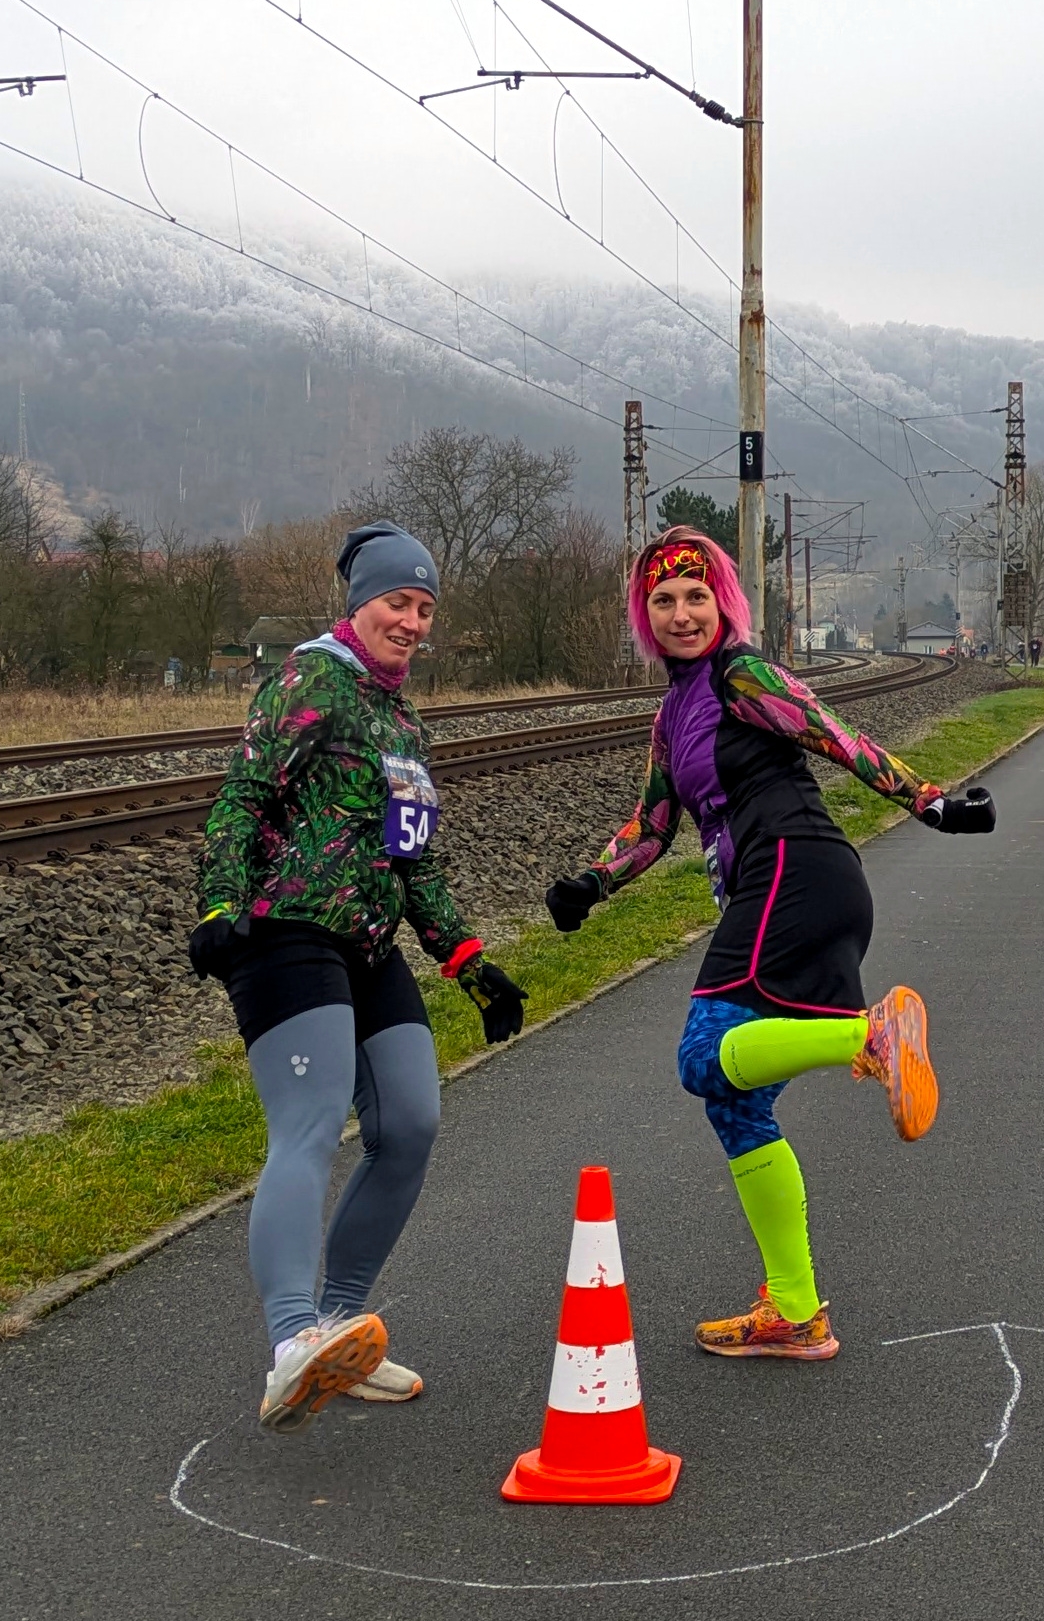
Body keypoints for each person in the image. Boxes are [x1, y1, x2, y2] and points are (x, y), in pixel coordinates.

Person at [544, 527, 996, 1360]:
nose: (681, 613)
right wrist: (592, 883)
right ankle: (795, 1310)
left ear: (723, 602)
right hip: (791, 883)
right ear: (646, 616)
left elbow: (833, 733)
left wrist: (931, 801)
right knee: (735, 1102)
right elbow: (652, 824)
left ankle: (871, 1034)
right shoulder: (673, 712)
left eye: (696, 596)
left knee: (700, 1056)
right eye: (663, 601)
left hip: (795, 867)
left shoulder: (741, 673)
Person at [187, 522, 530, 1432]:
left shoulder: (403, 721)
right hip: (285, 928)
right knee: (310, 1122)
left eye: (424, 607)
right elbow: (242, 796)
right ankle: (292, 1338)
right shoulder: (310, 681)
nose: (412, 621)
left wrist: (469, 962)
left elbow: (413, 859)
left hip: (370, 941)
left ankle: (338, 1330)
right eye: (396, 602)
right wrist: (219, 905)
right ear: (356, 603)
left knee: (412, 1120)